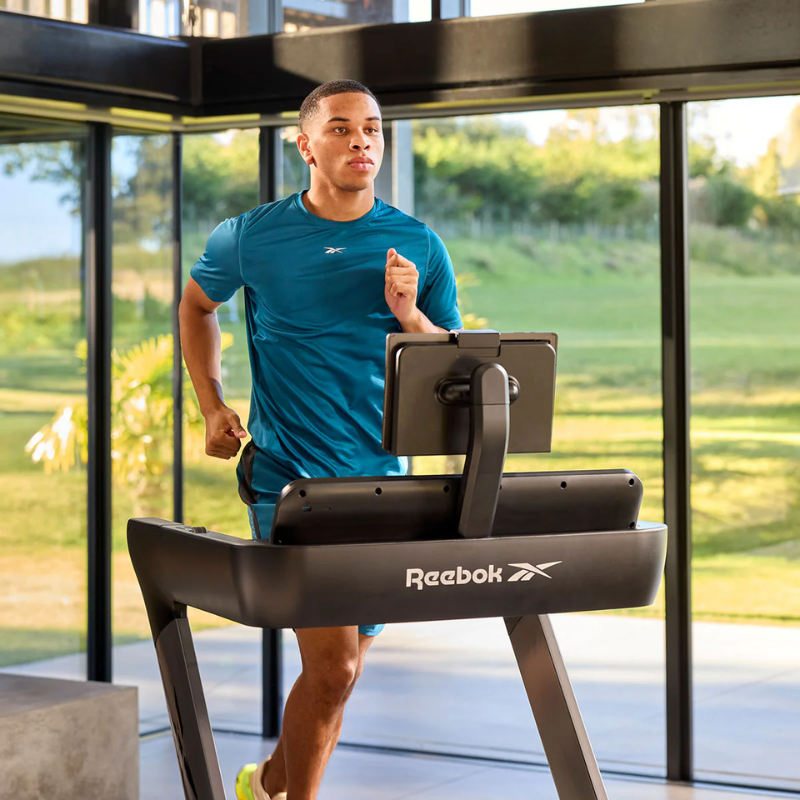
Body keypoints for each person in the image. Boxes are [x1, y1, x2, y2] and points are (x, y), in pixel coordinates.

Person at [179, 79, 463, 800]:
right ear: (305, 145)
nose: (361, 140)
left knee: (341, 672)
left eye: (370, 128)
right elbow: (196, 304)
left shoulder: (417, 244)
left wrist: (411, 316)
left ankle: (265, 783)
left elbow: (449, 357)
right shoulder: (249, 236)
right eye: (340, 128)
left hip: (383, 482)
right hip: (289, 479)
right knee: (334, 667)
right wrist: (211, 404)